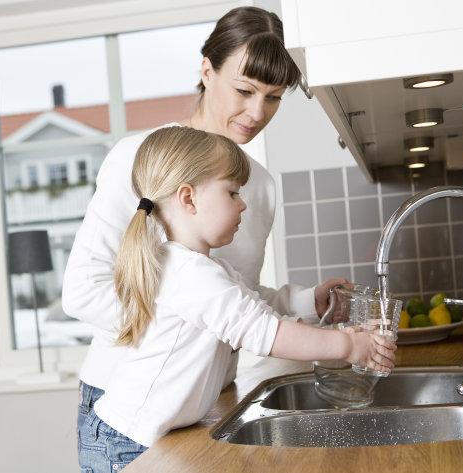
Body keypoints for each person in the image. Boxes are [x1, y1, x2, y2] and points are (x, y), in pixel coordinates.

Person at [63, 4, 348, 466]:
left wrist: (303, 302)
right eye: (244, 89)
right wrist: (180, 329)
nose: (256, 112)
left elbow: (234, 294)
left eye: (273, 97)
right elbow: (82, 291)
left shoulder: (261, 184)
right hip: (129, 403)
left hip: (208, 397)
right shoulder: (140, 156)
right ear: (206, 70)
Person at [77, 126, 396, 471]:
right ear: (188, 199)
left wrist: (328, 322)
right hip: (126, 445)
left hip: (140, 436)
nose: (243, 203)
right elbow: (265, 333)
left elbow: (256, 310)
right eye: (232, 193)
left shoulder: (206, 268)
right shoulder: (191, 274)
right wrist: (348, 347)